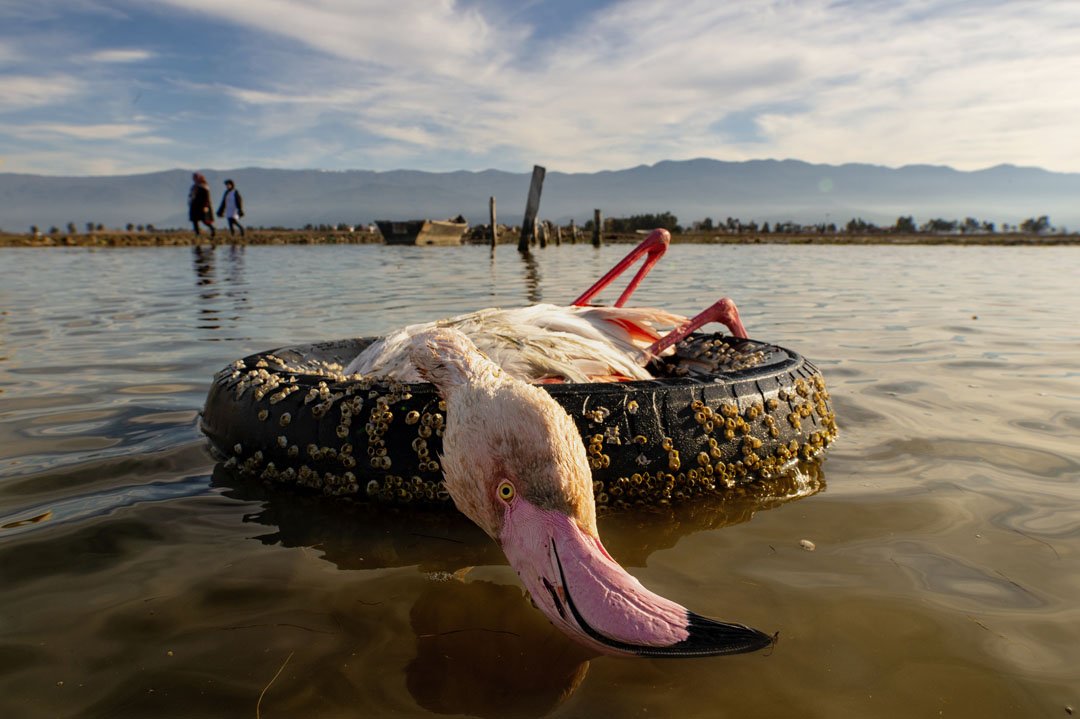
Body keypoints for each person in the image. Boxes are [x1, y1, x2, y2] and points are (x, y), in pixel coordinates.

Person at [188, 173, 215, 237]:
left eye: (195, 178)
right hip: (194, 205)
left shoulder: (204, 186)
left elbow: (207, 197)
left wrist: (206, 205)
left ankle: (213, 230)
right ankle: (197, 233)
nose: (194, 179)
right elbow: (191, 195)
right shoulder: (194, 186)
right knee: (195, 220)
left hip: (202, 205)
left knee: (205, 220)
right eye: (194, 178)